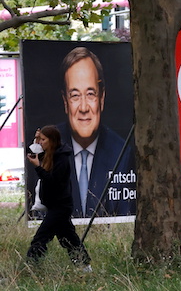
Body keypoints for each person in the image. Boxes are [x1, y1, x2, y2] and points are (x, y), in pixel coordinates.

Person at [57, 46, 135, 217]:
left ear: (101, 98)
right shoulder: (48, 150)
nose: (84, 108)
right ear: (65, 102)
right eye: (75, 96)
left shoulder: (122, 154)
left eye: (90, 94)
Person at [25, 125, 91, 268]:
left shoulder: (62, 159)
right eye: (40, 140)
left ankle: (30, 265)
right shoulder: (48, 154)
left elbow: (53, 181)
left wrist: (38, 167)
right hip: (53, 205)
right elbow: (30, 153)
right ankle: (84, 265)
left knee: (41, 236)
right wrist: (35, 140)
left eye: (43, 140)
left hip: (61, 206)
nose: (41, 143)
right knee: (68, 238)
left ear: (52, 140)